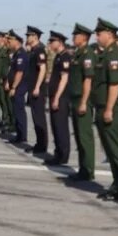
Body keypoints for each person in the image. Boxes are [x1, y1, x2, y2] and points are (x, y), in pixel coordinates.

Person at [93, 17, 118, 201]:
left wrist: (108, 109)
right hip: (103, 107)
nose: (96, 36)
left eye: (99, 33)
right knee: (110, 150)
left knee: (117, 149)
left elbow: (114, 85)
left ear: (109, 34)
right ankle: (117, 183)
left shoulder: (114, 55)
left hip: (113, 108)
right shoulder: (106, 54)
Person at [67, 23, 97, 181]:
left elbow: (88, 79)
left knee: (85, 136)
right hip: (75, 98)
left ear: (84, 37)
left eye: (76, 35)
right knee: (79, 136)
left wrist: (84, 102)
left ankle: (88, 170)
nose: (73, 38)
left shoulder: (87, 54)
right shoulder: (78, 54)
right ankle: (82, 168)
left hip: (82, 99)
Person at [43, 31, 72, 166]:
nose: (50, 44)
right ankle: (58, 153)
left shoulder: (65, 57)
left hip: (61, 97)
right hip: (55, 96)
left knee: (61, 127)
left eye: (52, 41)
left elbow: (64, 79)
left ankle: (63, 155)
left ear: (59, 42)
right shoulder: (58, 57)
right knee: (55, 126)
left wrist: (56, 98)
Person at [6, 31, 29, 145]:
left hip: (19, 87)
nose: (8, 43)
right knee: (16, 110)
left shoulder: (21, 54)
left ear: (17, 41)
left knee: (19, 110)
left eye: (10, 41)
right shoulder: (16, 54)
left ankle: (22, 136)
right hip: (15, 86)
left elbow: (19, 72)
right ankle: (19, 134)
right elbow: (12, 71)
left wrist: (14, 87)